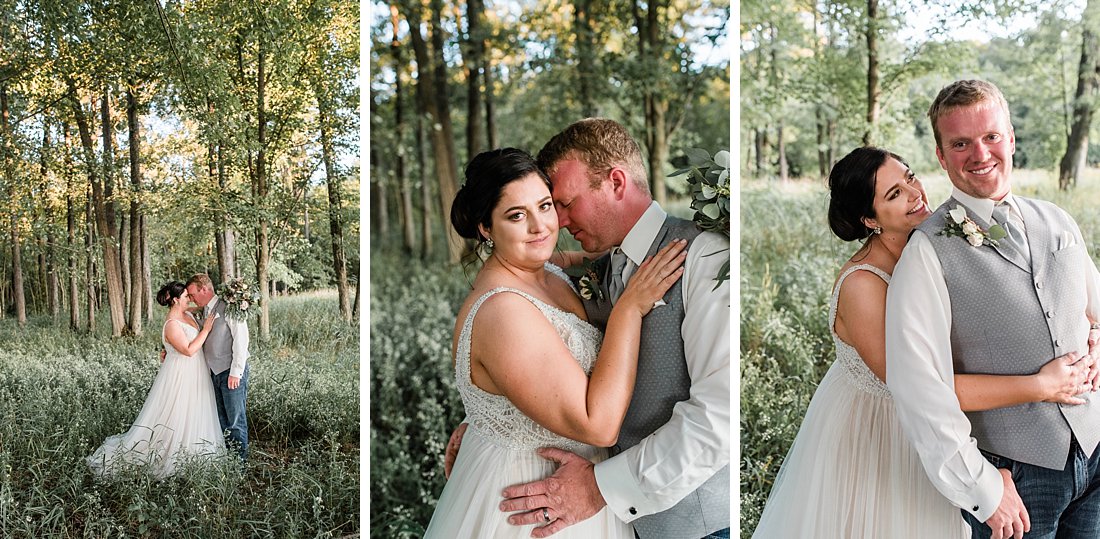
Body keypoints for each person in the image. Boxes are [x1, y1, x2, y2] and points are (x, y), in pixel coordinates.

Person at [752, 146, 1094, 538]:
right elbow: (919, 388)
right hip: (886, 436)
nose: (915, 194)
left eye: (909, 177)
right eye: (893, 194)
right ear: (869, 219)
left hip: (955, 429)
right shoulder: (863, 286)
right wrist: (1041, 386)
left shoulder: (945, 242)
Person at [445, 119, 730, 538]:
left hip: (693, 521)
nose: (552, 223)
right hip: (556, 504)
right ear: (486, 228)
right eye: (520, 214)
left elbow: (718, 417)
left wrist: (602, 486)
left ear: (616, 182)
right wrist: (495, 416)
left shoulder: (704, 258)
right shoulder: (588, 269)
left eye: (555, 204)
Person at [886, 79, 1100, 539]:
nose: (979, 154)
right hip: (1017, 480)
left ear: (1011, 138)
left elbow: (1095, 308)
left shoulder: (1058, 219)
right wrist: (980, 486)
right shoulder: (926, 253)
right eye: (960, 144)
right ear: (942, 157)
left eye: (991, 137)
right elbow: (918, 386)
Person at [87, 281, 224, 478]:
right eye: (186, 297)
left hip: (197, 372)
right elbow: (188, 350)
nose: (190, 299)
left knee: (196, 409)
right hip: (181, 374)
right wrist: (205, 330)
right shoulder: (171, 324)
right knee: (177, 413)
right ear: (176, 300)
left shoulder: (187, 313)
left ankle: (197, 451)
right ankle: (173, 452)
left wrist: (232, 298)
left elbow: (205, 303)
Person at [186, 273, 251, 461]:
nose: (191, 299)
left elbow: (241, 338)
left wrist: (236, 372)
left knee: (235, 421)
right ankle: (228, 459)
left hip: (230, 372)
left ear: (204, 289)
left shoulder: (229, 306)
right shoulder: (204, 310)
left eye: (192, 294)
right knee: (221, 420)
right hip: (213, 373)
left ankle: (240, 464)